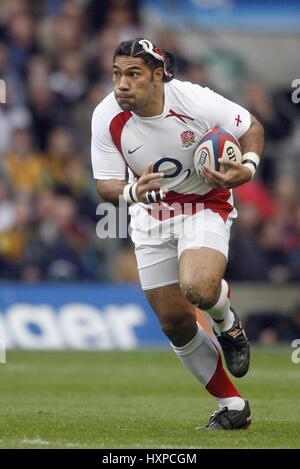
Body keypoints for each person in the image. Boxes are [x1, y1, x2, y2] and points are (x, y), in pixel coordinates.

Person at [91, 38, 264, 430]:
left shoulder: (195, 102)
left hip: (204, 204)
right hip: (150, 214)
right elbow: (106, 185)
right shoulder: (106, 116)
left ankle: (226, 321)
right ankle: (233, 406)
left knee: (199, 289)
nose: (121, 84)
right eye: (117, 74)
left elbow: (252, 126)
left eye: (133, 74)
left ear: (157, 77)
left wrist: (248, 167)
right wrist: (135, 191)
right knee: (174, 322)